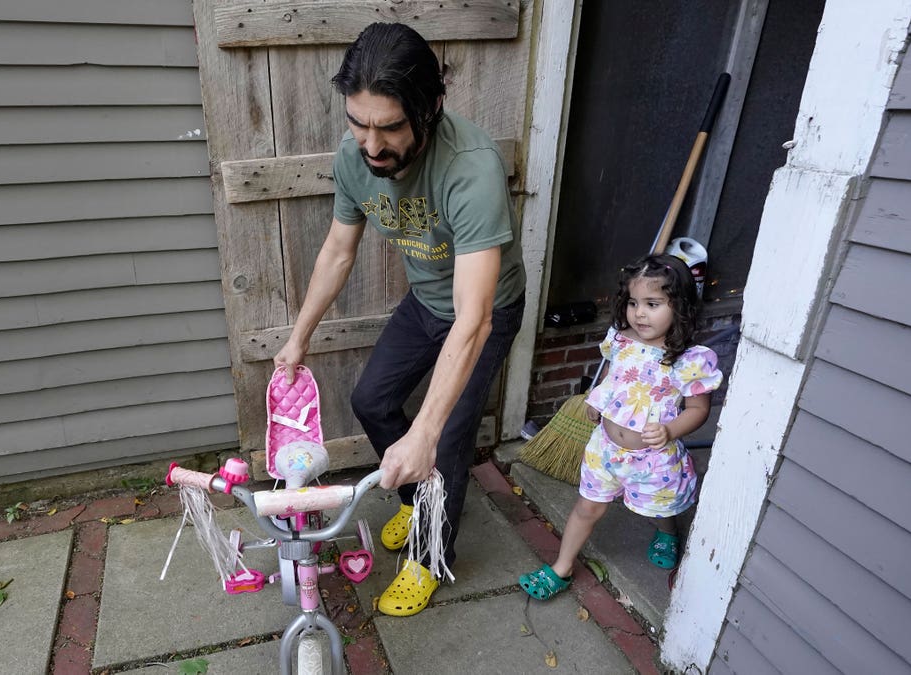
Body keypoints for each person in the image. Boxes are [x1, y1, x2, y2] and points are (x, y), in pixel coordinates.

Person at [272, 22, 526, 617]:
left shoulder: (472, 169)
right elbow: (338, 250)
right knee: (371, 400)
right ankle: (418, 498)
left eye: (389, 127)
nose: (371, 145)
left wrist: (428, 432)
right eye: (358, 123)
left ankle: (429, 555)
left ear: (431, 108)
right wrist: (297, 338)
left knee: (448, 441)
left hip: (482, 313)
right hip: (425, 303)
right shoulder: (354, 155)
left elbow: (474, 319)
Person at [518, 254, 722, 600]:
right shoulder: (622, 340)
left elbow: (699, 409)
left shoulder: (690, 360)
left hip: (652, 458)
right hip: (606, 451)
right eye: (633, 302)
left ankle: (667, 531)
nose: (639, 313)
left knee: (659, 507)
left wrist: (671, 430)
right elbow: (618, 379)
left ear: (681, 306)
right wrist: (599, 401)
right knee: (587, 507)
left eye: (652, 303)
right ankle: (561, 567)